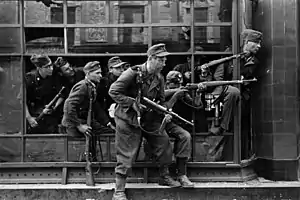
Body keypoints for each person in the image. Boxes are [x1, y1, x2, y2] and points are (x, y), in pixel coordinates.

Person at [109, 44, 180, 200]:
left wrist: (164, 113)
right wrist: (132, 102)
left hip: (149, 119)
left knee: (164, 142)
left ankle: (164, 176)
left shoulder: (159, 77)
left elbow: (161, 101)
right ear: (151, 59)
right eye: (161, 60)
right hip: (128, 119)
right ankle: (119, 190)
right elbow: (113, 91)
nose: (164, 63)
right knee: (126, 154)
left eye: (164, 60)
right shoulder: (132, 73)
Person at [61, 61, 114, 160]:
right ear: (88, 74)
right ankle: (89, 159)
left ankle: (93, 157)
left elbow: (95, 107)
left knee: (110, 131)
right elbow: (68, 106)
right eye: (97, 73)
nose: (100, 75)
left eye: (100, 73)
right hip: (74, 124)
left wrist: (108, 123)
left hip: (85, 121)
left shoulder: (91, 86)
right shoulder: (83, 86)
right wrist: (79, 125)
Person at [25, 54, 64, 134]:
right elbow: (22, 100)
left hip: (50, 118)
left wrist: (54, 106)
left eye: (51, 66)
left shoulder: (53, 76)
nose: (51, 69)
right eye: (47, 67)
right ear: (39, 68)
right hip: (34, 116)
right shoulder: (30, 79)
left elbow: (62, 95)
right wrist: (29, 118)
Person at [240, 29, 262, 158]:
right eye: (256, 43)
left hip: (244, 99)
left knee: (244, 128)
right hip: (227, 96)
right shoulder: (232, 56)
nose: (259, 46)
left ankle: (243, 155)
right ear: (247, 42)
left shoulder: (255, 62)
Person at [98, 56, 128, 125]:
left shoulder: (126, 80)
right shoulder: (103, 83)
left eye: (122, 67)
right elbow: (99, 103)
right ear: (110, 69)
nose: (122, 70)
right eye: (118, 68)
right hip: (108, 115)